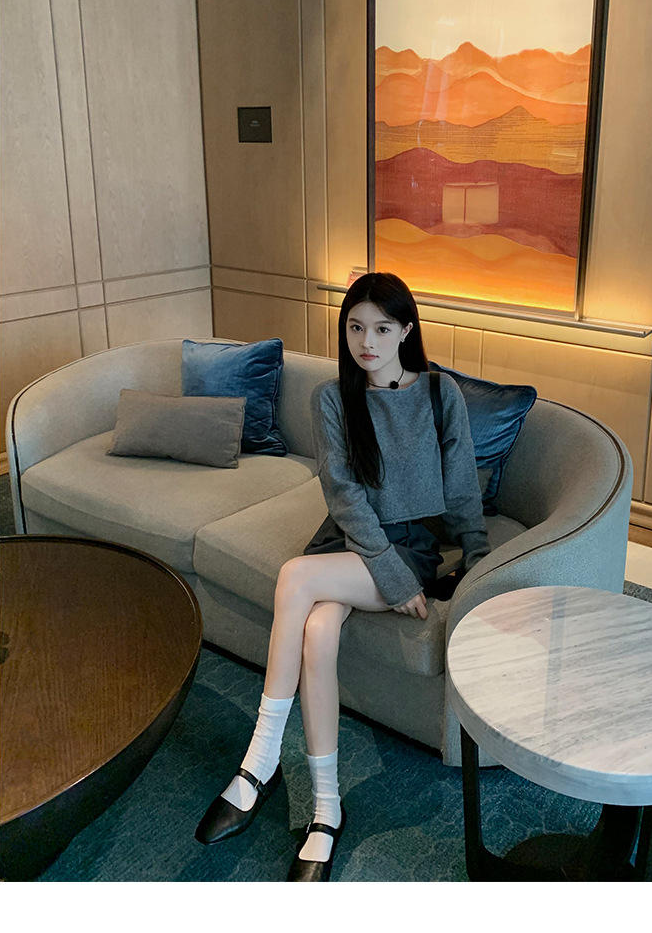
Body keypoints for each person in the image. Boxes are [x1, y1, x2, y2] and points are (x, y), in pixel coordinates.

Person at [194, 272, 490, 881]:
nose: (366, 342)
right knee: (318, 632)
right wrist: (387, 574)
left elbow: (461, 484)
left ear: (407, 330)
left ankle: (258, 763)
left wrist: (475, 557)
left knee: (295, 579)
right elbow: (344, 495)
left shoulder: (440, 394)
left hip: (410, 548)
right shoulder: (332, 398)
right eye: (355, 327)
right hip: (350, 539)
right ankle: (326, 810)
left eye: (381, 328)